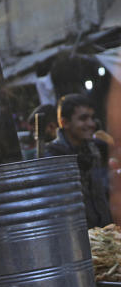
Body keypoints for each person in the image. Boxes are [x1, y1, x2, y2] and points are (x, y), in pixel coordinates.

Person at [44, 93, 112, 227]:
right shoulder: (52, 157)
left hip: (104, 236)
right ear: (65, 123)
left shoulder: (94, 149)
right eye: (83, 118)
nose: (91, 124)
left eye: (92, 118)